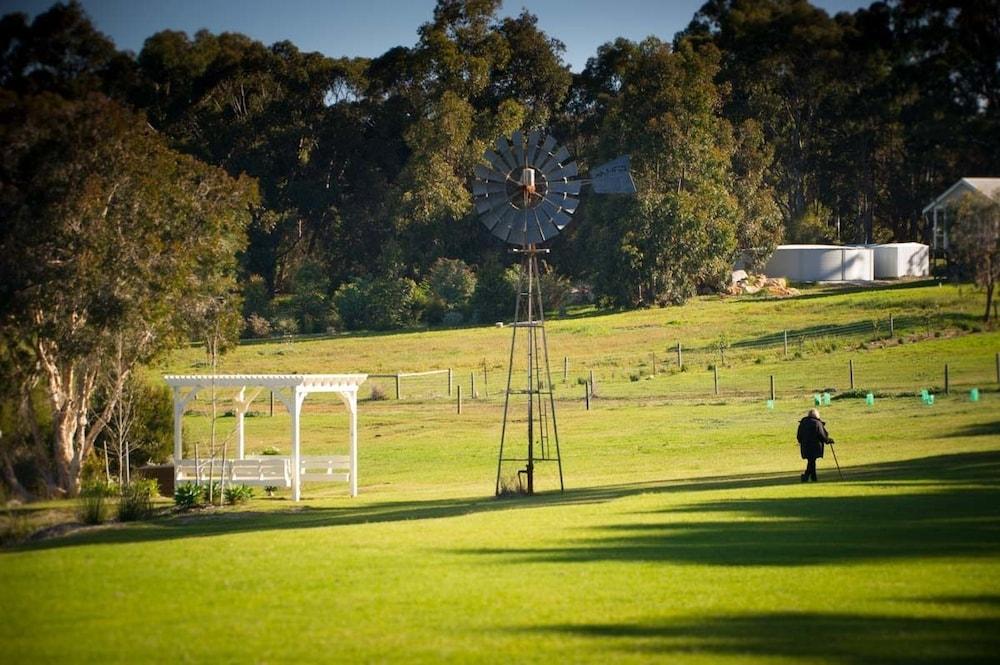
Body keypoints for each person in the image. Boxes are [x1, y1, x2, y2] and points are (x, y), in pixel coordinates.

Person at [796, 408, 833, 482]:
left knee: (811, 461)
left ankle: (813, 477)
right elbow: (822, 435)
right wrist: (828, 440)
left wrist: (802, 442)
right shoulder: (817, 423)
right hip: (815, 446)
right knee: (812, 461)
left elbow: (799, 436)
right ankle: (806, 476)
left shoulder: (803, 423)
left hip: (805, 446)